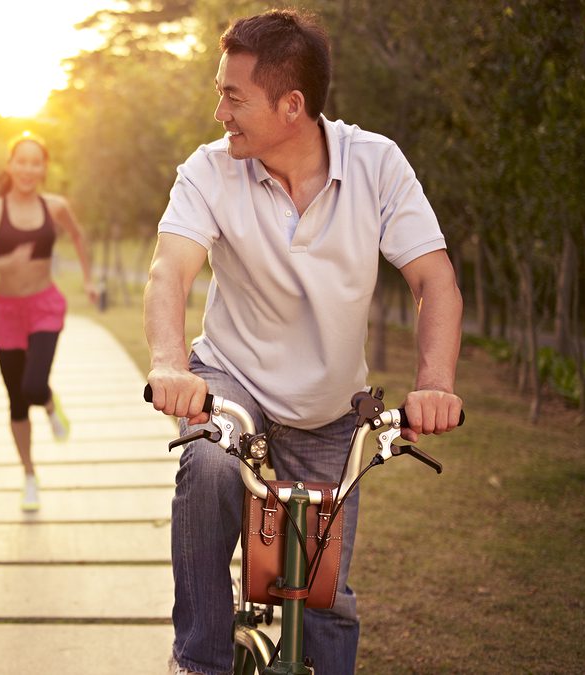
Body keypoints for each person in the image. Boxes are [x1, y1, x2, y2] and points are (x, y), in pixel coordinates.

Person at [144, 9, 464, 675]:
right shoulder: (209, 170)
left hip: (328, 411)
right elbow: (168, 270)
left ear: (292, 106)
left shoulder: (376, 165)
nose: (219, 111)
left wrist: (435, 381)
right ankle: (198, 659)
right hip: (232, 385)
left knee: (325, 604)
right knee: (205, 467)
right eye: (219, 91)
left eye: (234, 96)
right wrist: (171, 364)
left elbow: (433, 278)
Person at [0, 132, 97, 511]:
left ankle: (46, 399)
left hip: (44, 306)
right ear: (10, 166)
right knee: (16, 401)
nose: (28, 169)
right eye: (21, 161)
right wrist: (5, 263)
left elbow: (79, 236)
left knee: (32, 384)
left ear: (43, 168)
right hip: (6, 312)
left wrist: (89, 278)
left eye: (36, 162)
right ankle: (29, 475)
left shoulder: (55, 206)